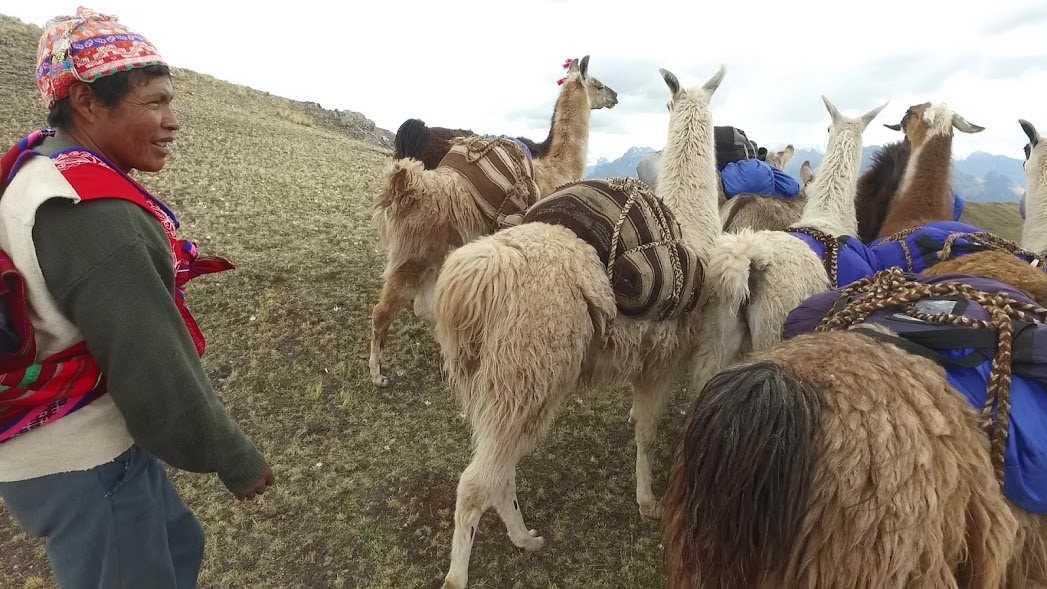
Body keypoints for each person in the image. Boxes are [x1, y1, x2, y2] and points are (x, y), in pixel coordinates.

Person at [0, 8, 273, 588]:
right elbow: (150, 361)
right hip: (80, 457)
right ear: (87, 103)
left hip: (68, 443)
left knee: (177, 546)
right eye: (153, 103)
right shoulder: (92, 212)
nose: (173, 121)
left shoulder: (37, 166)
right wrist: (233, 456)